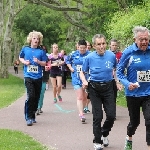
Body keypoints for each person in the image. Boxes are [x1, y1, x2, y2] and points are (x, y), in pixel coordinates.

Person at [80, 34, 122, 149]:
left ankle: (104, 133)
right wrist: (84, 81)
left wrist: (117, 82)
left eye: (103, 43)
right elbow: (82, 72)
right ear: (94, 46)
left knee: (111, 115)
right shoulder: (89, 58)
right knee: (98, 116)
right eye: (99, 44)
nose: (102, 46)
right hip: (94, 88)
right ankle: (97, 141)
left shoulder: (111, 56)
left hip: (109, 87)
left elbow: (116, 69)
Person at [117, 26, 150, 150]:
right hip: (133, 93)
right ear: (135, 39)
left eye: (146, 39)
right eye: (141, 39)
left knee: (149, 121)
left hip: (148, 93)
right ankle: (129, 137)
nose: (144, 42)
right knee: (135, 122)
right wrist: (127, 83)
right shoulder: (128, 52)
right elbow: (119, 72)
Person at [19, 31, 47, 126]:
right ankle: (28, 117)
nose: (36, 40)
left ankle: (33, 114)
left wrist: (38, 61)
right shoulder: (25, 49)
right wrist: (25, 62)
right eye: (34, 38)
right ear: (30, 39)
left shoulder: (41, 51)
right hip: (28, 76)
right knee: (31, 96)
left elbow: (45, 63)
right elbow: (20, 57)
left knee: (36, 97)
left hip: (38, 77)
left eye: (38, 39)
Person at [66, 39, 90, 123]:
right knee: (80, 96)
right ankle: (81, 114)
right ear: (78, 47)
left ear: (86, 47)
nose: (82, 49)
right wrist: (70, 67)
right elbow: (67, 60)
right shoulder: (73, 54)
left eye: (84, 48)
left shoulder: (90, 55)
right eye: (81, 48)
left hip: (86, 79)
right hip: (76, 78)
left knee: (85, 97)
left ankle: (82, 110)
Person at [109, 39, 122, 120]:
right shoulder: (106, 54)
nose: (114, 46)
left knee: (113, 96)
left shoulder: (120, 54)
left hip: (116, 78)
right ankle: (109, 112)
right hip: (108, 78)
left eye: (115, 45)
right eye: (112, 45)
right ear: (109, 45)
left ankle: (113, 114)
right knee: (108, 96)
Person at [36, 46, 51, 115]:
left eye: (44, 50)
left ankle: (39, 107)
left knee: (41, 93)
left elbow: (49, 66)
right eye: (41, 49)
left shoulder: (47, 58)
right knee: (35, 93)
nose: (43, 50)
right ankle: (35, 107)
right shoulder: (35, 57)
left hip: (44, 77)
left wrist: (47, 68)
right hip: (35, 77)